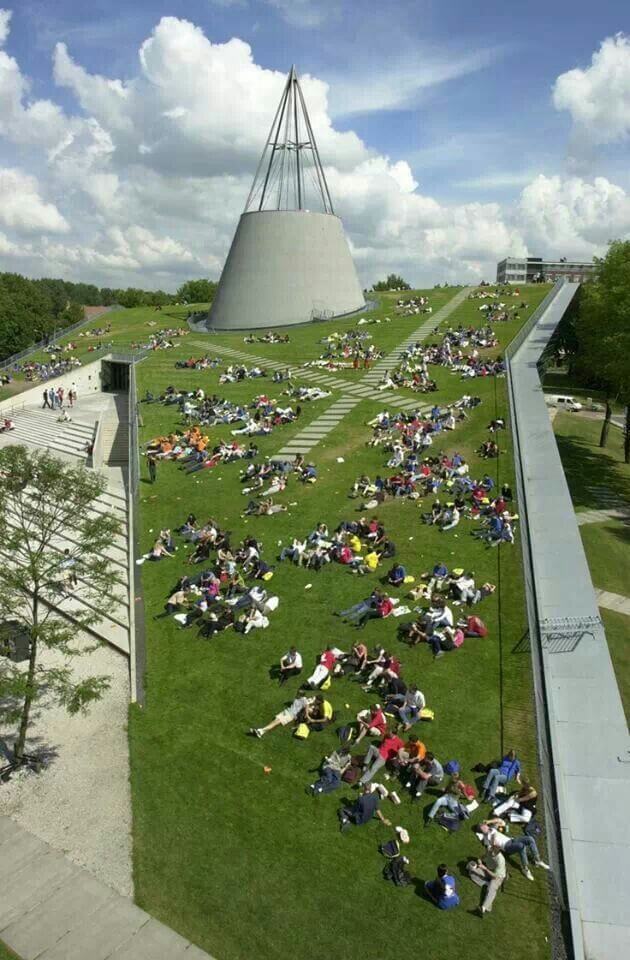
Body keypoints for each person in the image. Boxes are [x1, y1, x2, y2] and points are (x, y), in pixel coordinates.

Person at [477, 821, 549, 881]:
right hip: (507, 847)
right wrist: (493, 843)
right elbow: (490, 849)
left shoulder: (492, 829)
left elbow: (499, 823)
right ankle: (525, 869)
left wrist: (493, 826)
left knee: (530, 839)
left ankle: (538, 860)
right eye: (483, 828)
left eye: (484, 825)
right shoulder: (486, 838)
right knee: (521, 846)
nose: (485, 827)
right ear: (482, 831)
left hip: (512, 840)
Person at [466, 846, 507, 915]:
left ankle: (483, 908)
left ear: (496, 853)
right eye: (490, 851)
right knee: (471, 868)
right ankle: (486, 883)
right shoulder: (490, 851)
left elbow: (495, 876)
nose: (490, 853)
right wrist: (479, 862)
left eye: (492, 852)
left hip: (497, 877)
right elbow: (481, 858)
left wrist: (484, 868)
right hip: (488, 871)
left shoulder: (501, 860)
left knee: (492, 888)